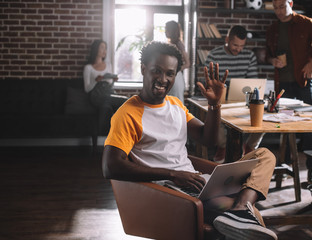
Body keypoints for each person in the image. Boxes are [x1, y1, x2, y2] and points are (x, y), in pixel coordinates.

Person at [102, 41, 277, 240]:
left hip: (198, 183)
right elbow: (111, 166)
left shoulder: (175, 104)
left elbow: (208, 139)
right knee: (252, 217)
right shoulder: (128, 113)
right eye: (156, 71)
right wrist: (173, 174)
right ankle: (239, 211)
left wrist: (214, 105)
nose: (163, 79)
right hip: (169, 191)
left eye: (170, 73)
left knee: (265, 156)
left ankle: (239, 209)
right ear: (143, 69)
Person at [244, 0, 312, 185]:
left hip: (304, 82)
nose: (279, 11)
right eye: (275, 8)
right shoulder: (272, 29)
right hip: (282, 84)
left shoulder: (306, 23)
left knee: (310, 125)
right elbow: (268, 54)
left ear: (290, 3)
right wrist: (272, 60)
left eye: (282, 6)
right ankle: (284, 167)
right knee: (283, 125)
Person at [204, 25, 258, 163]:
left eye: (241, 46)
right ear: (227, 39)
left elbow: (253, 81)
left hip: (242, 100)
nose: (238, 49)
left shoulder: (249, 56)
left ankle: (249, 147)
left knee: (261, 114)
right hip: (220, 99)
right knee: (216, 113)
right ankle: (222, 147)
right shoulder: (214, 55)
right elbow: (208, 81)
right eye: (235, 45)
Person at [83, 39, 127, 134]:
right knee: (125, 100)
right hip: (96, 95)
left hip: (108, 93)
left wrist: (113, 81)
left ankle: (109, 135)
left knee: (106, 107)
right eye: (102, 48)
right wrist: (96, 81)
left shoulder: (108, 65)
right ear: (96, 49)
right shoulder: (88, 68)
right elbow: (87, 89)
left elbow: (110, 86)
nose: (104, 51)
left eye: (105, 48)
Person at [165, 20, 191, 103]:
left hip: (176, 78)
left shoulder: (179, 44)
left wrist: (175, 70)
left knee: (176, 103)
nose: (165, 32)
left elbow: (188, 63)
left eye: (166, 29)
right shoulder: (170, 43)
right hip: (170, 76)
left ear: (171, 31)